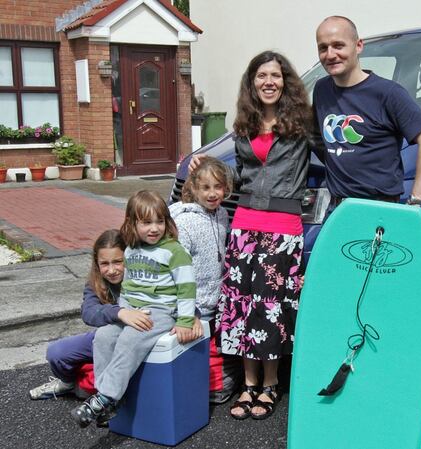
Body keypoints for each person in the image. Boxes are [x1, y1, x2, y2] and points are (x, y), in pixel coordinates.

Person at [192, 50, 310, 420]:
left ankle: (271, 384)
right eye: (261, 76)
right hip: (244, 226)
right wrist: (201, 162)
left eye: (275, 75)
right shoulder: (243, 124)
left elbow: (338, 154)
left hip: (283, 227)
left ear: (285, 82)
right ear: (252, 82)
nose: (269, 82)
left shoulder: (303, 124)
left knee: (271, 308)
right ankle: (248, 384)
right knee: (242, 307)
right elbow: (234, 173)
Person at [70, 190, 201, 428]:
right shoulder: (131, 250)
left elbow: (187, 287)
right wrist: (125, 311)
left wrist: (185, 319)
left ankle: (105, 398)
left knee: (131, 339)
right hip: (136, 310)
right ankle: (107, 401)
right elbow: (129, 287)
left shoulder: (174, 251)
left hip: (162, 311)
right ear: (132, 223)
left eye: (159, 221)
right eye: (146, 222)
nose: (154, 228)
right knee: (103, 336)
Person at [313, 15, 421, 208]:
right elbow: (317, 140)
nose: (330, 54)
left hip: (378, 209)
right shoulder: (321, 90)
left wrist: (415, 202)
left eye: (338, 46)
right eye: (323, 47)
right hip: (337, 209)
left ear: (358, 46)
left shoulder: (388, 94)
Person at [28, 230, 149, 402]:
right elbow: (89, 312)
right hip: (106, 338)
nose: (112, 270)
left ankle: (104, 393)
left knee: (89, 389)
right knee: (56, 352)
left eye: (118, 262)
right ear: (97, 264)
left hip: (137, 337)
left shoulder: (145, 275)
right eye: (105, 264)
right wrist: (120, 312)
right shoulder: (96, 282)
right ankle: (67, 383)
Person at [169, 156, 231, 321]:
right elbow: (177, 268)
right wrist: (186, 311)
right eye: (205, 188)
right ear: (194, 189)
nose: (212, 194)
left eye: (217, 187)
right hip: (192, 309)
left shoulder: (222, 215)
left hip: (215, 305)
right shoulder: (184, 222)